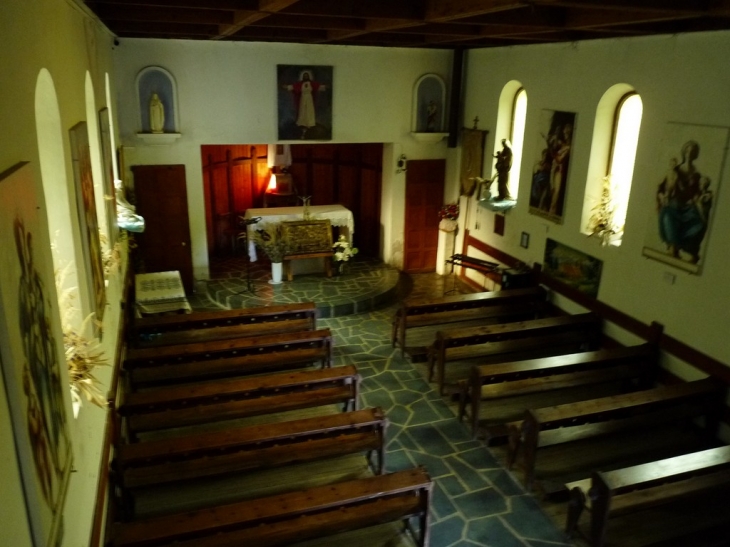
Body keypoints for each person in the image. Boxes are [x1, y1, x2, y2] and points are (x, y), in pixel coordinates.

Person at [283, 71, 326, 138]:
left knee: (309, 110)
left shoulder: (311, 84)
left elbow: (318, 87)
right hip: (302, 98)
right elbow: (293, 87)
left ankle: (310, 122)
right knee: (302, 110)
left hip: (309, 98)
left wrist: (325, 86)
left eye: (307, 76)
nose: (306, 77)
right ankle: (302, 122)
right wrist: (286, 87)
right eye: (304, 76)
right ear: (303, 77)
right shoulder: (300, 84)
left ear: (308, 77)